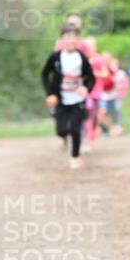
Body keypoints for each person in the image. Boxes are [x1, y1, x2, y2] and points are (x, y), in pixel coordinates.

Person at [41, 23, 95, 168]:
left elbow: (91, 77)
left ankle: (75, 157)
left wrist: (86, 88)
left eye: (74, 37)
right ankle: (64, 138)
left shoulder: (82, 57)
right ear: (62, 39)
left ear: (78, 39)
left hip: (78, 100)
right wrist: (50, 94)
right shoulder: (55, 57)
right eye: (68, 37)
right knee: (62, 131)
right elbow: (45, 74)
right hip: (61, 100)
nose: (71, 40)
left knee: (75, 129)